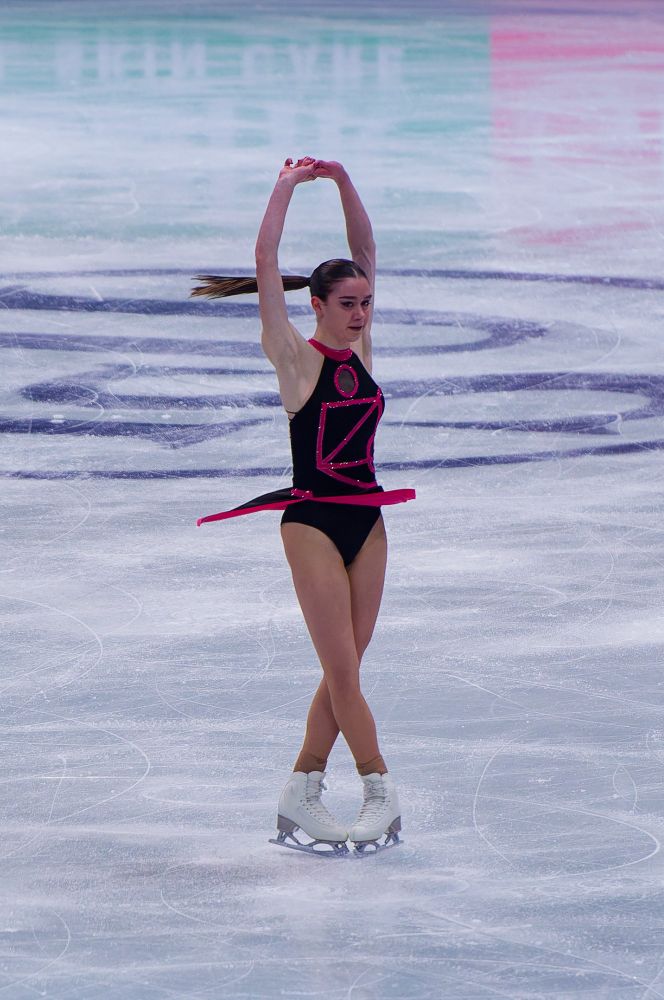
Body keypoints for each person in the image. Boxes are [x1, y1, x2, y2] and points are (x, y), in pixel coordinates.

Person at [193, 157, 415, 855]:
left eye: (366, 303)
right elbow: (265, 257)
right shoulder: (293, 356)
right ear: (316, 305)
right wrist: (286, 186)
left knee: (343, 668)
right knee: (345, 672)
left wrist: (347, 181)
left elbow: (368, 250)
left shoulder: (363, 352)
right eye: (347, 304)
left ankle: (302, 789)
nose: (360, 314)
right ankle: (380, 789)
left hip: (369, 520)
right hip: (314, 521)